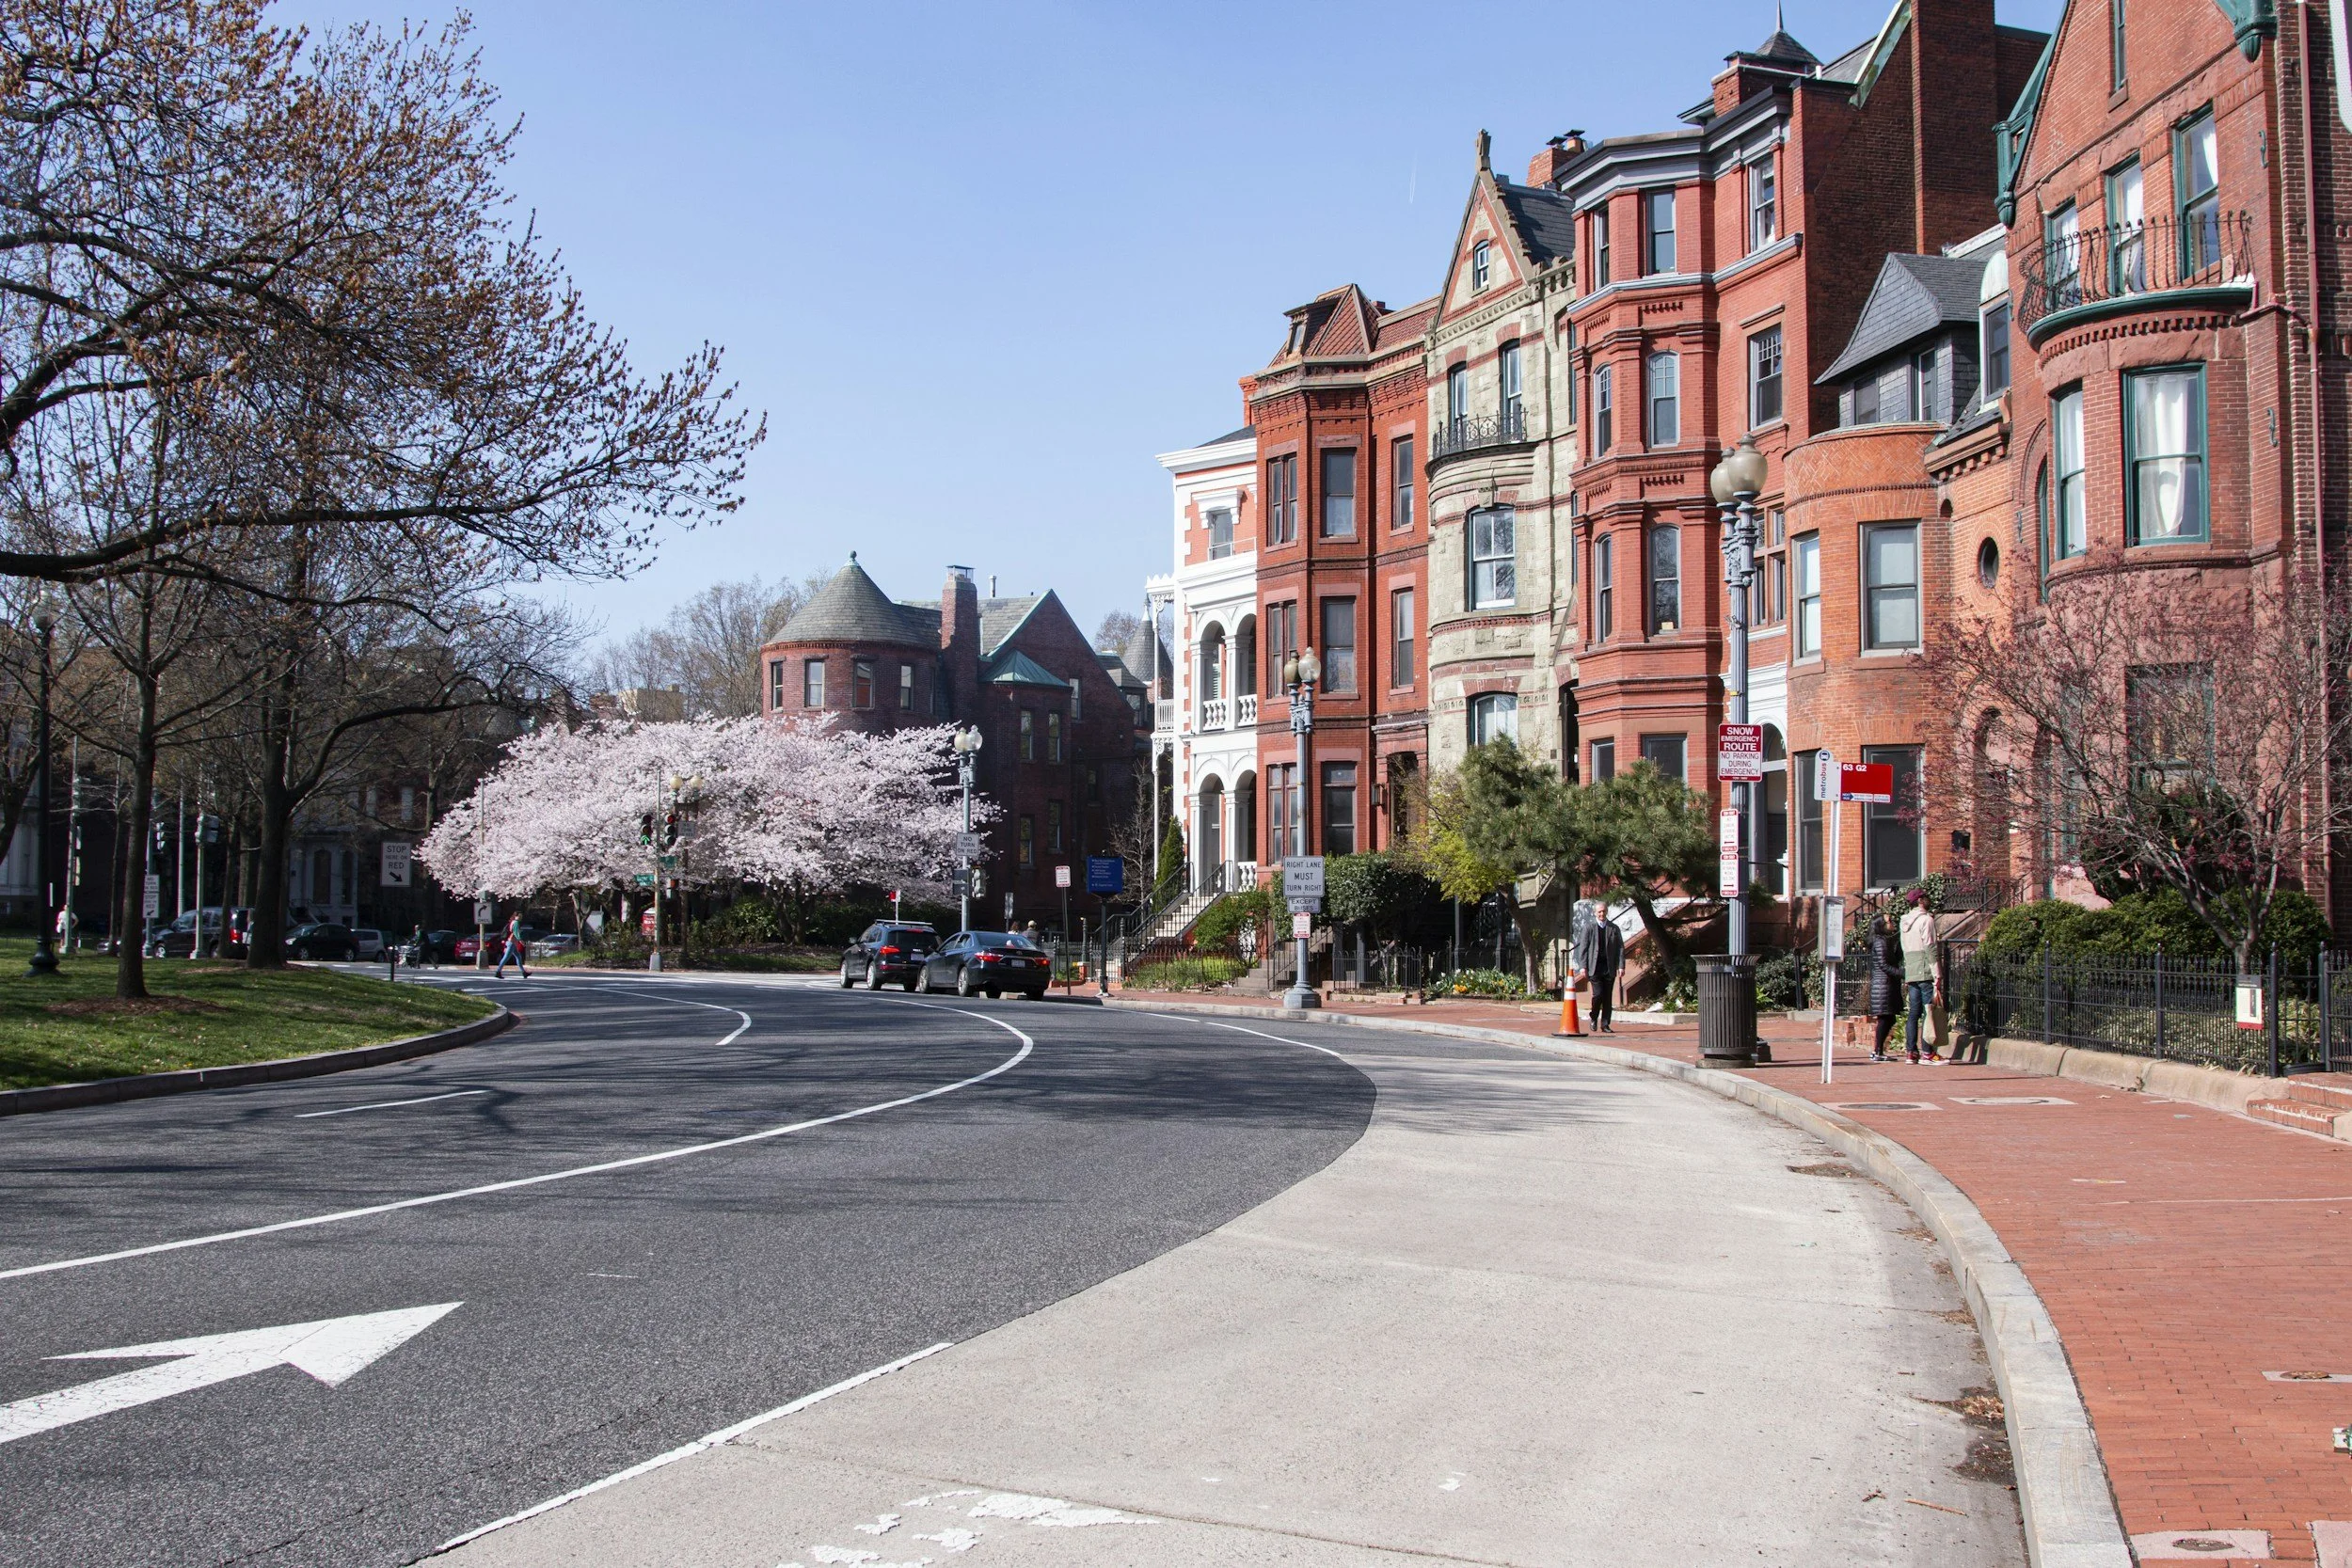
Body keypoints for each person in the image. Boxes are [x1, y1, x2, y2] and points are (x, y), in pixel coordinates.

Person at [1900, 888, 1941, 1063]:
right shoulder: (1926, 920)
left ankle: (1911, 1052)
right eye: (1925, 897)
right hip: (1924, 969)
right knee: (1928, 1011)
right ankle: (1927, 1052)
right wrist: (1937, 973)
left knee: (1913, 1013)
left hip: (1911, 969)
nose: (1928, 898)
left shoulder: (1904, 922)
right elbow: (1930, 948)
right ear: (1919, 901)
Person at [1572, 902, 1624, 1033]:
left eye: (1604, 911)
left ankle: (1605, 1024)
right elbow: (1583, 948)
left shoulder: (1614, 928)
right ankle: (1594, 1017)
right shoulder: (1589, 928)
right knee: (1598, 994)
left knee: (1607, 997)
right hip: (1594, 967)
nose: (1602, 914)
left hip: (1609, 967)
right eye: (1599, 912)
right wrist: (1583, 966)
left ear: (1607, 912)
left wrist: (1621, 966)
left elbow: (1620, 948)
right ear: (1595, 913)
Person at [1867, 914, 1904, 1061]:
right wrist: (1902, 973)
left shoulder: (1883, 941)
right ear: (1881, 925)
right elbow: (1884, 965)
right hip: (1883, 985)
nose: (1892, 923)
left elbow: (1894, 959)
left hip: (1886, 984)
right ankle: (1877, 1051)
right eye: (1889, 921)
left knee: (1889, 1018)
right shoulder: (1880, 942)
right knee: (1885, 1018)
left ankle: (1878, 1050)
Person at [494, 911, 530, 979]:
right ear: (516, 916)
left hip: (512, 942)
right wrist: (520, 940)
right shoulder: (516, 922)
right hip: (511, 942)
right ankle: (498, 972)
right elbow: (516, 933)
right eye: (519, 916)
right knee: (506, 957)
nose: (521, 917)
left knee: (518, 956)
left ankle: (524, 972)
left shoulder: (512, 922)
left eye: (521, 916)